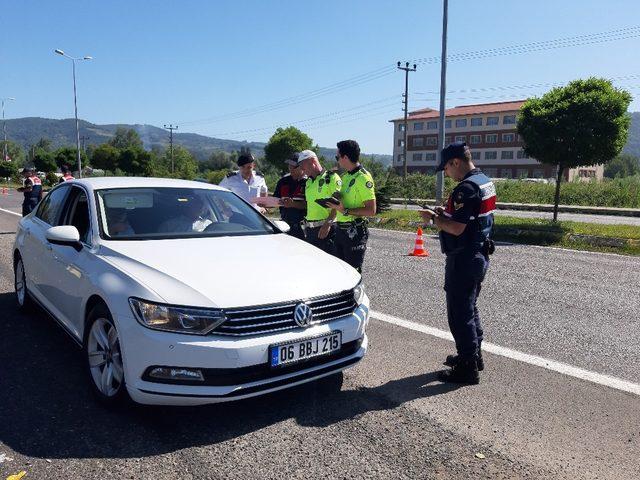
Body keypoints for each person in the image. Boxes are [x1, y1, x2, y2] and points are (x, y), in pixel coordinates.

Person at [419, 142, 496, 385]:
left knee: (459, 314)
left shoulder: (467, 188)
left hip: (464, 257)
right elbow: (471, 219)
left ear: (455, 162)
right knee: (470, 309)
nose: (446, 173)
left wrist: (433, 219)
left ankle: (467, 368)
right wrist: (447, 212)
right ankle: (473, 356)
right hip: (478, 253)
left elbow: (456, 228)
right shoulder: (484, 180)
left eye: (446, 168)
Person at [327, 140, 376, 273]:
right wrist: (336, 197)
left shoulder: (363, 178)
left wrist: (345, 210)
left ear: (345, 157)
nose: (337, 161)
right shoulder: (346, 176)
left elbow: (371, 210)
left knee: (352, 273)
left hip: (354, 232)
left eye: (338, 157)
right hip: (340, 230)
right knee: (339, 271)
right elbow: (346, 199)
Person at [294, 149, 341, 254]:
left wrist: (328, 224)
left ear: (312, 161)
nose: (301, 169)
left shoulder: (331, 178)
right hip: (310, 231)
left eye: (303, 166)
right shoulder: (308, 182)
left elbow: (338, 204)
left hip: (326, 229)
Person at [272, 153, 307, 240]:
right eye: (289, 165)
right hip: (284, 224)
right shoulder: (283, 181)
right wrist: (266, 204)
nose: (290, 168)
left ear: (301, 166)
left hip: (303, 227)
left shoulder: (308, 182)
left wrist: (294, 204)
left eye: (293, 166)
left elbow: (310, 205)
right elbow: (275, 199)